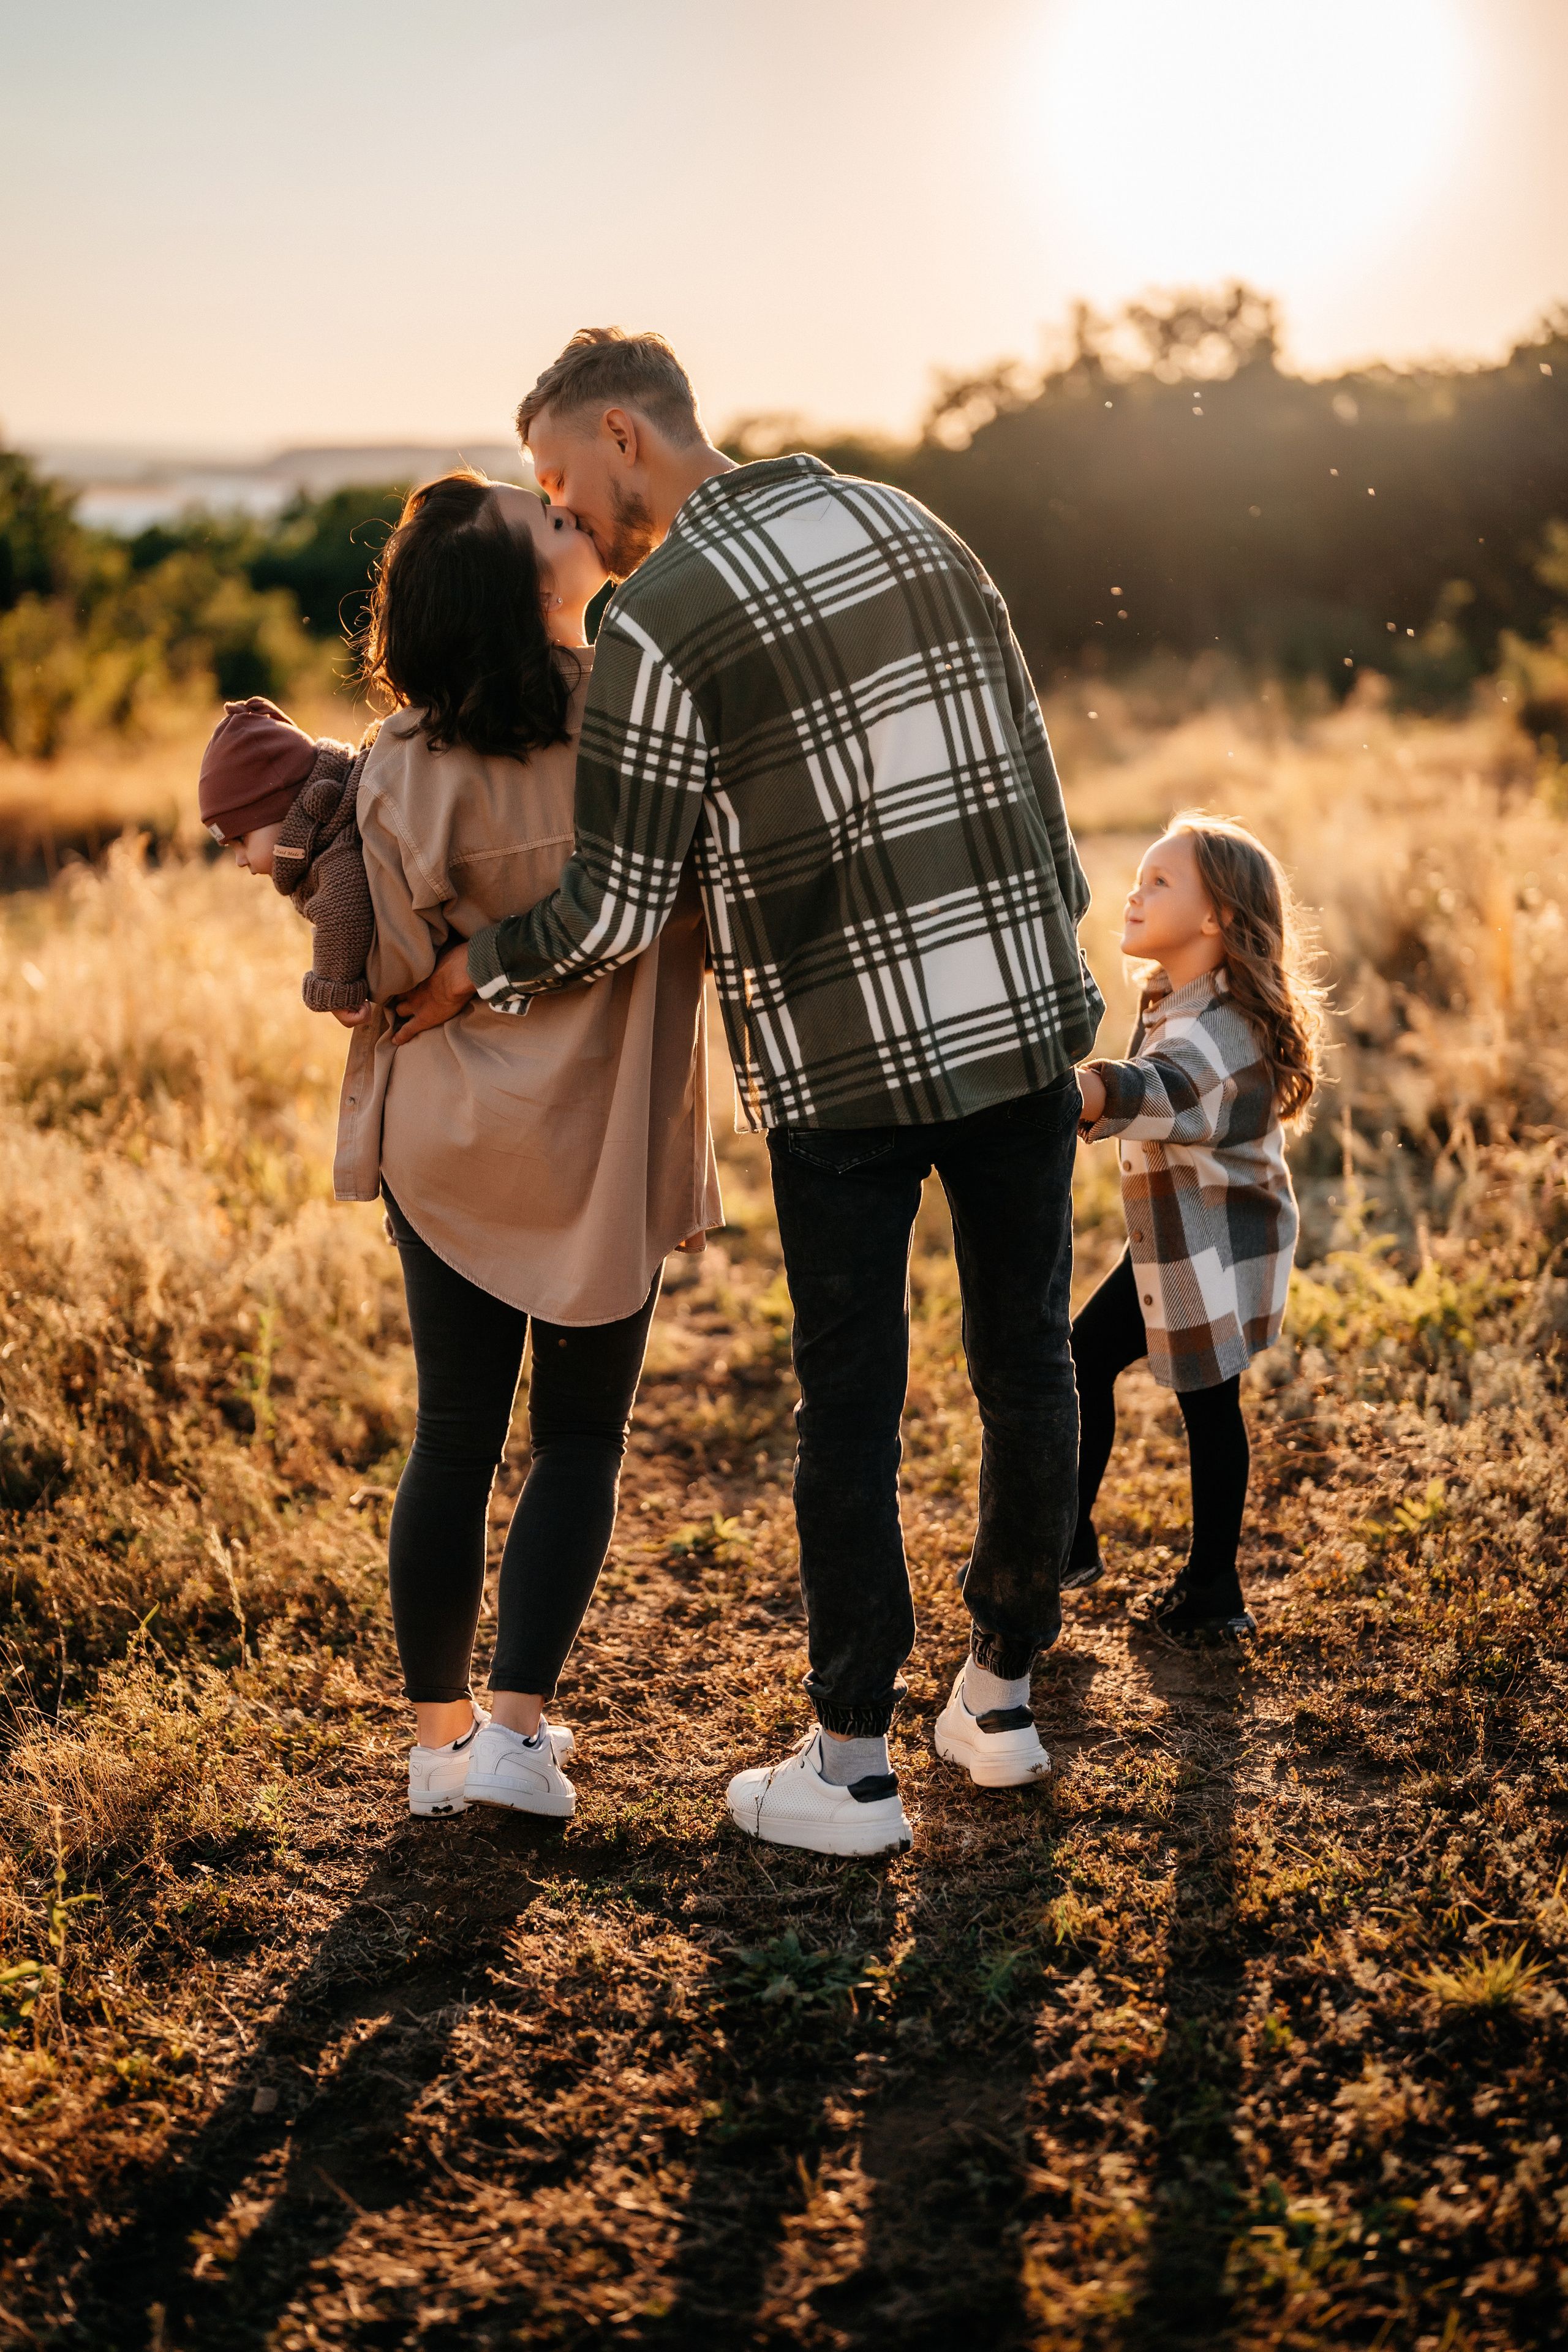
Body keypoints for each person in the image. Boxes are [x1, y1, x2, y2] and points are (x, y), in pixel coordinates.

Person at [391, 330, 1104, 1858]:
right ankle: (996, 1698)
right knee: (1026, 1365)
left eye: (557, 476)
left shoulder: (660, 619)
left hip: (845, 1074)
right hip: (1021, 1026)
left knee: (851, 1404)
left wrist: (473, 969)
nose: (561, 509)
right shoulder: (912, 521)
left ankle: (848, 1767)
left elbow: (617, 900)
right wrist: (1055, 964)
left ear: (621, 436)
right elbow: (1031, 772)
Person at [214, 467, 722, 1820]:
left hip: (448, 1132)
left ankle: (438, 1745)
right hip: (601, 1135)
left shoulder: (396, 766)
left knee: (453, 1434)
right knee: (577, 1441)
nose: (576, 518)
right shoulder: (638, 726)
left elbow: (377, 976)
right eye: (548, 520)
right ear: (523, 586)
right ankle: (512, 1729)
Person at [1071, 814, 1324, 1640]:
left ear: (1216, 918)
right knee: (1095, 1360)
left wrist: (1084, 1092)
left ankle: (1211, 1581)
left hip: (1214, 1243)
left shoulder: (1217, 1029)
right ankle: (1068, 1539)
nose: (1135, 894)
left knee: (1206, 1401)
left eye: (1160, 882)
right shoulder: (1180, 997)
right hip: (1178, 1234)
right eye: (1139, 879)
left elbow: (1170, 1090)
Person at [197, 695, 376, 1014]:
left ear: (283, 806)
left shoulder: (335, 850)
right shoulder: (326, 830)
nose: (240, 860)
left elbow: (343, 912)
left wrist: (332, 992)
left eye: (241, 840)